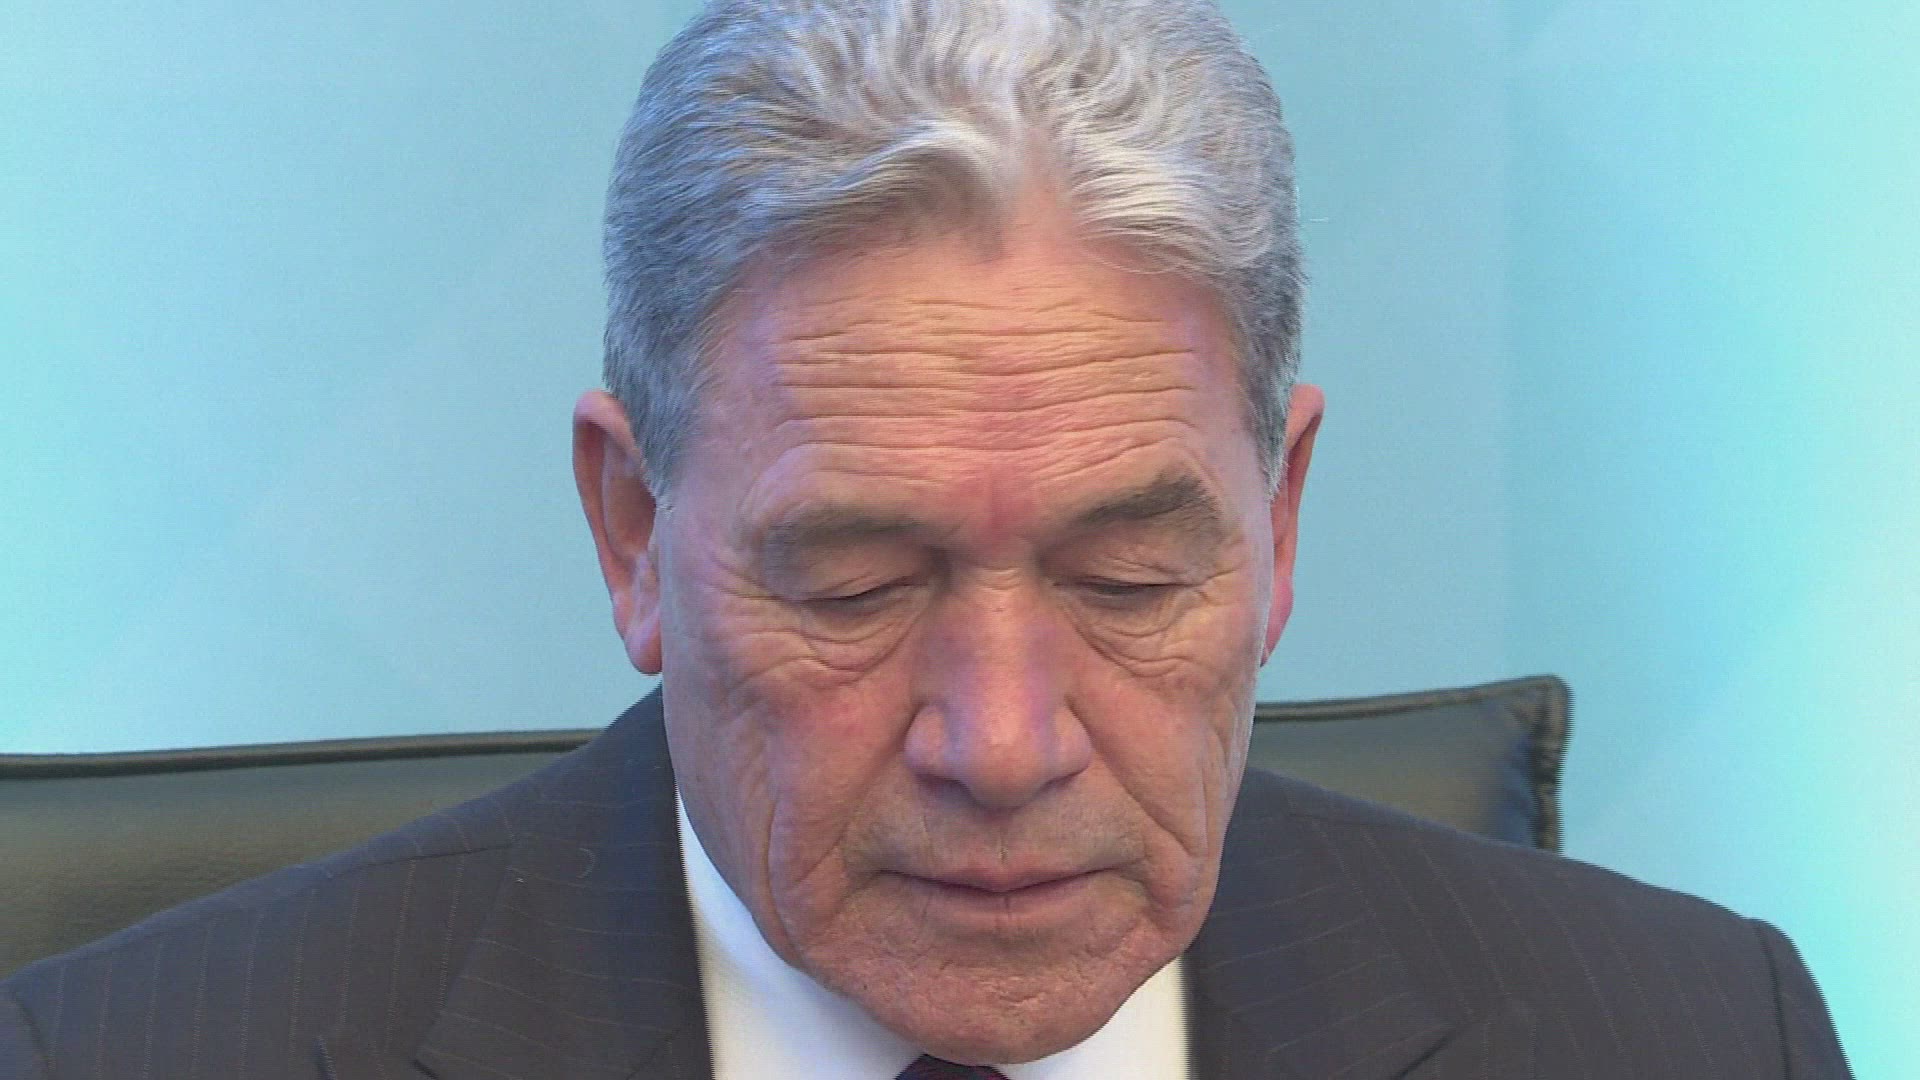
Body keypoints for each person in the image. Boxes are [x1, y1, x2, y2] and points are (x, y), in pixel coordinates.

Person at [0, 1, 1852, 1077]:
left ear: (1278, 521)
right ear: (634, 531)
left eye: (1129, 581)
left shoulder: (1696, 1038)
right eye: (857, 586)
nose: (1003, 741)